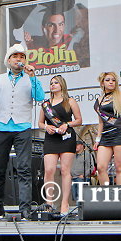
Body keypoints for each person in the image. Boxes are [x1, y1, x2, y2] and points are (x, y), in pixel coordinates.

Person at [0, 44, 44, 220]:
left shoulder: (30, 79)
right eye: (15, 56)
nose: (19, 59)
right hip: (2, 128)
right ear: (8, 60)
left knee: (24, 168)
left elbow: (40, 97)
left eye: (22, 56)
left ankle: (25, 209)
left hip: (22, 128)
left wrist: (33, 77)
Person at [39, 75, 83, 215]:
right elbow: (40, 123)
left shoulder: (69, 101)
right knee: (49, 170)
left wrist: (67, 124)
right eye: (51, 83)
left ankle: (64, 203)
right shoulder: (46, 104)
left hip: (66, 137)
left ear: (62, 85)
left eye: (56, 83)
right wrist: (46, 127)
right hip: (51, 138)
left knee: (65, 170)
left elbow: (79, 120)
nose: (53, 85)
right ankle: (49, 202)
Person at [93, 72, 121, 186]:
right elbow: (101, 122)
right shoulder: (99, 100)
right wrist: (98, 139)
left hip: (119, 133)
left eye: (113, 80)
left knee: (119, 167)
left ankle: (120, 193)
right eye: (108, 80)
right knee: (101, 167)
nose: (111, 82)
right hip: (105, 135)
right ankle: (106, 192)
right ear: (102, 83)